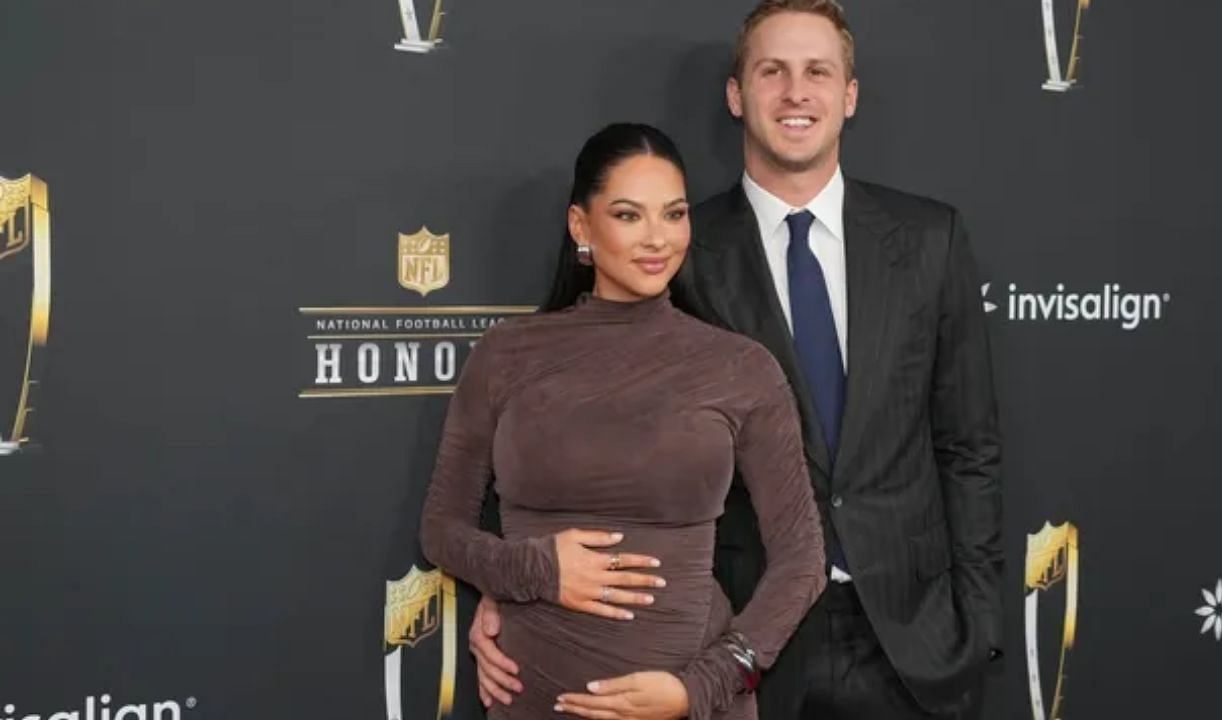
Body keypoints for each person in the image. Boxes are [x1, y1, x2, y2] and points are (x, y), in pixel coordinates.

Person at [470, 2, 1003, 719]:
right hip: (730, 643)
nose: (795, 92)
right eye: (771, 71)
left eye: (818, 72)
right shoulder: (672, 254)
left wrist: (976, 621)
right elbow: (565, 441)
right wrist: (513, 591)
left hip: (913, 644)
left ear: (849, 94)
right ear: (735, 94)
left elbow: (969, 447)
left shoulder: (931, 239)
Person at [419, 123, 826, 720]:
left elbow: (802, 559)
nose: (657, 239)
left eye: (675, 214)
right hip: (534, 699)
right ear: (581, 226)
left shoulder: (741, 367)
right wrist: (531, 571)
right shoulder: (507, 354)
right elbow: (441, 528)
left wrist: (704, 686)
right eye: (629, 216)